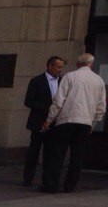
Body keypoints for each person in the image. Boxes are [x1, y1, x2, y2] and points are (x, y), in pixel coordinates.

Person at [40, 53, 107, 193]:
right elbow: (101, 107)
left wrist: (49, 120)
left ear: (77, 64)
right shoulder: (99, 80)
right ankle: (70, 186)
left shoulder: (69, 77)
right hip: (85, 121)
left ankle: (51, 185)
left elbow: (59, 101)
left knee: (58, 154)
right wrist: (93, 123)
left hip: (66, 120)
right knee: (77, 156)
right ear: (91, 64)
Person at [22, 56, 63, 186]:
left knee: (50, 152)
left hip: (55, 123)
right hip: (38, 121)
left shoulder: (62, 81)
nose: (60, 70)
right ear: (50, 66)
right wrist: (48, 108)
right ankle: (28, 177)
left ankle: (47, 179)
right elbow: (29, 101)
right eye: (58, 67)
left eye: (61, 67)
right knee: (34, 150)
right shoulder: (37, 81)